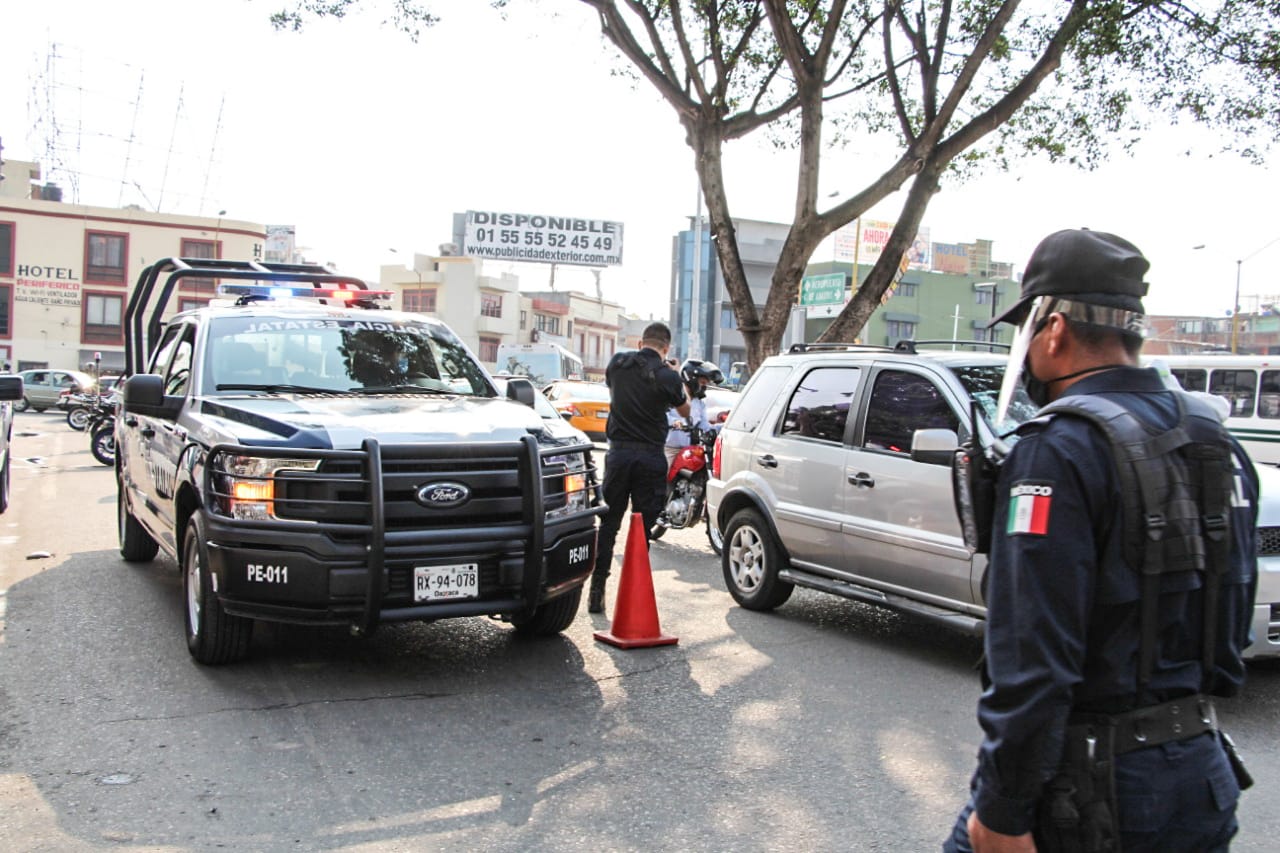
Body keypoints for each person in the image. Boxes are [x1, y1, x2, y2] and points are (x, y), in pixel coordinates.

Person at [944, 229, 1258, 853]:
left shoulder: (1057, 449)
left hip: (1091, 787)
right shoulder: (1213, 440)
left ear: (1053, 329)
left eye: (1027, 331)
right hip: (1200, 772)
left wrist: (1004, 810)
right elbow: (1231, 618)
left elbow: (1033, 655)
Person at [589, 322, 690, 613]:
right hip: (649, 457)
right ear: (666, 348)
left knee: (609, 524)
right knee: (642, 530)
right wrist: (674, 373)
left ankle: (597, 590)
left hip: (618, 455)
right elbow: (684, 409)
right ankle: (632, 595)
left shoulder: (617, 364)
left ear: (640, 343)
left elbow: (615, 388)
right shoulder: (667, 376)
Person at [664, 359, 723, 468]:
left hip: (690, 450)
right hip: (670, 450)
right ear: (691, 378)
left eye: (707, 383)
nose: (704, 387)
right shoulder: (671, 395)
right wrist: (677, 423)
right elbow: (662, 417)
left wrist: (724, 427)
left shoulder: (699, 403)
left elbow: (705, 426)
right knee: (660, 477)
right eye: (703, 383)